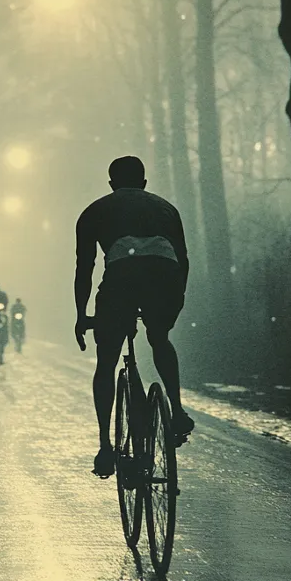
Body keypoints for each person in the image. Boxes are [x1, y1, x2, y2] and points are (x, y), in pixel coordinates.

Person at [74, 155, 194, 478]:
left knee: (107, 360)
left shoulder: (94, 211)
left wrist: (81, 315)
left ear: (111, 184)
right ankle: (178, 410)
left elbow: (85, 268)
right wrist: (172, 304)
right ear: (144, 183)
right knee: (159, 338)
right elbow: (182, 260)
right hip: (165, 276)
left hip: (120, 281)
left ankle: (104, 447)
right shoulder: (167, 209)